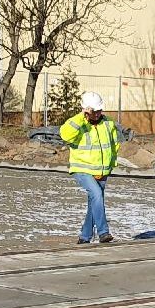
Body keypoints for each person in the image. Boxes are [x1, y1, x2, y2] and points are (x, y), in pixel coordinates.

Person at [58, 92, 120, 245]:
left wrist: (110, 165)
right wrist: (82, 117)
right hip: (82, 168)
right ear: (87, 110)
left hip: (102, 170)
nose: (98, 114)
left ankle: (84, 237)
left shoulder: (108, 123)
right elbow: (65, 134)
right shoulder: (78, 123)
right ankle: (103, 232)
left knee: (95, 202)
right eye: (95, 111)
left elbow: (114, 145)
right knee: (97, 194)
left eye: (100, 111)